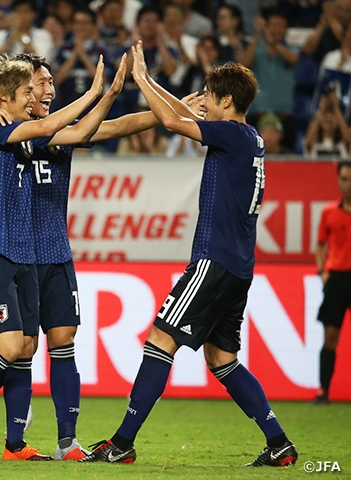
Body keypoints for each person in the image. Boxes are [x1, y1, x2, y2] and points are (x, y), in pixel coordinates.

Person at [0, 51, 204, 460]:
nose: (44, 89)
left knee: (52, 342)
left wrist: (170, 110)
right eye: (36, 85)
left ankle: (60, 442)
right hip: (4, 246)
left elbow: (109, 126)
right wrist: (100, 91)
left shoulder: (50, 130)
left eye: (47, 83)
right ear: (16, 94)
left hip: (46, 250)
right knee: (17, 347)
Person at [81, 42, 299, 467]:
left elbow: (169, 121)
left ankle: (122, 442)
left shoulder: (231, 133)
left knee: (160, 340)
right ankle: (279, 444)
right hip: (238, 267)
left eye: (210, 96)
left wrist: (143, 80)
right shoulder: (247, 138)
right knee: (223, 359)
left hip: (213, 260)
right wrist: (164, 91)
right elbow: (181, 115)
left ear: (227, 101)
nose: (205, 102)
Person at [0, 53, 123, 461]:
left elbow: (74, 133)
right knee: (7, 346)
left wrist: (109, 95)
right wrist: (93, 91)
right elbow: (46, 125)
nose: (33, 96)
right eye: (26, 91)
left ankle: (15, 446)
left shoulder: (23, 133)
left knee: (23, 347)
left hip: (21, 252)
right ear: (5, 96)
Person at [313, 160, 351, 404]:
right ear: (338, 180)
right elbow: (320, 244)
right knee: (330, 336)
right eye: (344, 179)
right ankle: (323, 391)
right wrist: (322, 272)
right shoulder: (329, 212)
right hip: (336, 279)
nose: (348, 184)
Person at [0, 0, 54, 64]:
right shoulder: (1, 34)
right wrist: (11, 39)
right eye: (18, 12)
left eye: (26, 12)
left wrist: (22, 36)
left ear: (34, 14)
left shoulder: (42, 35)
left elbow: (41, 61)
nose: (22, 16)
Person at [304, 87, 351, 158]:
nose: (328, 118)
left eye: (332, 115)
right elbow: (308, 142)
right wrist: (321, 109)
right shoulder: (314, 142)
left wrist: (336, 107)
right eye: (325, 115)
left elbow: (348, 140)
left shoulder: (342, 143)